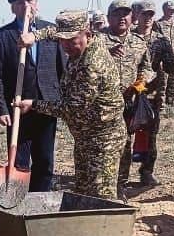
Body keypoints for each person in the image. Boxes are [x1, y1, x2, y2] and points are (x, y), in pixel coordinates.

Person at [18, 10, 124, 200]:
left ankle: (106, 228)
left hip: (103, 140)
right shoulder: (84, 44)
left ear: (88, 34)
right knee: (83, 192)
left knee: (101, 197)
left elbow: (72, 109)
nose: (66, 46)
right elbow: (54, 30)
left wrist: (34, 104)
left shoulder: (92, 66)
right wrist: (34, 36)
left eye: (71, 40)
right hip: (85, 137)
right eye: (62, 40)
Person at [0, 0, 62, 193]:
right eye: (20, 2)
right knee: (19, 161)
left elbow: (62, 67)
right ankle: (18, 201)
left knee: (45, 160)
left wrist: (62, 100)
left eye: (30, 0)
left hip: (46, 104)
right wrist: (1, 109)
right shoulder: (2, 36)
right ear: (12, 7)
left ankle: (40, 200)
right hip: (17, 107)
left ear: (37, 3)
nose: (26, 5)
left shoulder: (51, 32)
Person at [98, 0, 153, 197]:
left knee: (124, 145)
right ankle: (100, 185)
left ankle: (120, 186)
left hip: (128, 103)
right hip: (102, 103)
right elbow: (82, 64)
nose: (122, 18)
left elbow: (147, 67)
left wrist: (141, 82)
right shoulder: (97, 40)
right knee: (101, 145)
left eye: (126, 14)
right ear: (108, 17)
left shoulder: (138, 43)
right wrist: (105, 54)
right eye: (117, 14)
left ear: (132, 17)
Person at [132, 0, 174, 186]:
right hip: (128, 93)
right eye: (144, 14)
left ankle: (146, 171)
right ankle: (121, 174)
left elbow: (170, 67)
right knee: (125, 135)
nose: (148, 18)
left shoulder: (161, 40)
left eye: (151, 14)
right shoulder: (127, 37)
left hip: (150, 95)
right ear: (136, 15)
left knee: (150, 135)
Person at [154, 1, 174, 111]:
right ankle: (161, 106)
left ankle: (171, 104)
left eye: (173, 10)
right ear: (164, 10)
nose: (172, 12)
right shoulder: (158, 24)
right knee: (162, 83)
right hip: (164, 59)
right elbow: (156, 42)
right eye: (169, 10)